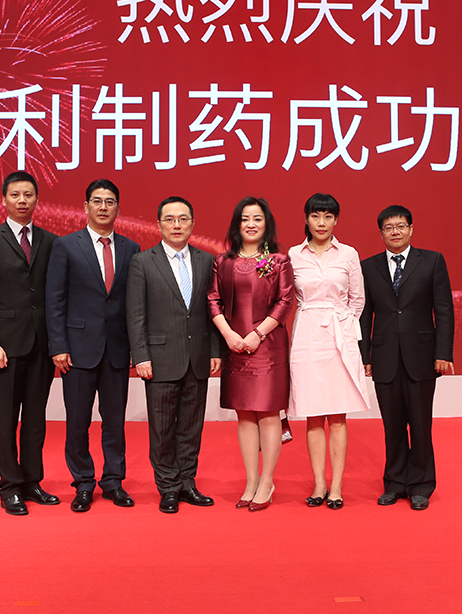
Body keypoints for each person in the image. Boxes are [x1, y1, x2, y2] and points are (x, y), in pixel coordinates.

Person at [46, 180, 140, 512]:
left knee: (115, 422)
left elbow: (133, 303)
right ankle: (84, 483)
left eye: (109, 201)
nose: (103, 207)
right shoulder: (66, 246)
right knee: (78, 422)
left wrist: (136, 348)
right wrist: (58, 346)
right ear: (85, 206)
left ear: (118, 208)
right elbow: (54, 301)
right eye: (97, 201)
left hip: (116, 350)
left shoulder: (131, 248)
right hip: (77, 351)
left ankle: (113, 481)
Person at [0, 171, 59, 516]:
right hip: (4, 349)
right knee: (6, 420)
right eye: (15, 195)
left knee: (35, 420)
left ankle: (32, 481)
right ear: (4, 200)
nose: (22, 201)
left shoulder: (51, 242)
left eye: (28, 195)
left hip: (42, 345)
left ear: (37, 200)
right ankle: (10, 487)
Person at [126, 196, 222, 514]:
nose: (177, 225)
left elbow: (213, 311)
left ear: (192, 223)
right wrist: (140, 356)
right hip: (160, 358)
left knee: (191, 427)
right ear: (159, 225)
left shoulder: (206, 261)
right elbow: (135, 314)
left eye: (183, 219)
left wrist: (214, 350)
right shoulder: (143, 262)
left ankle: (187, 483)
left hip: (197, 357)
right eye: (170, 219)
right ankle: (168, 486)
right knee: (163, 428)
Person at [359, 205, 455, 511]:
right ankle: (395, 483)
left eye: (401, 226)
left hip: (422, 356)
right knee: (393, 425)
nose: (395, 232)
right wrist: (364, 355)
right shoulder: (368, 267)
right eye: (389, 228)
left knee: (421, 424)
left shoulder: (432, 261)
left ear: (411, 229)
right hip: (384, 356)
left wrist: (443, 353)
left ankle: (421, 485)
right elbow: (364, 315)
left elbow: (444, 310)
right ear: (381, 233)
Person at [207, 196, 294, 512]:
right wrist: (229, 335)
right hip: (235, 346)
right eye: (245, 218)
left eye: (257, 218)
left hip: (268, 347)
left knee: (268, 413)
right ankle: (251, 481)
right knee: (244, 414)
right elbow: (213, 300)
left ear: (266, 223)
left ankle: (267, 481)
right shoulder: (222, 262)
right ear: (236, 224)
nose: (251, 224)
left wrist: (257, 334)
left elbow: (285, 302)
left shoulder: (279, 261)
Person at [288, 193, 370, 510]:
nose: (321, 222)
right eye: (315, 216)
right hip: (307, 335)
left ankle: (336, 486)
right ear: (306, 219)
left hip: (339, 335)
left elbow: (357, 299)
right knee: (313, 415)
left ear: (336, 220)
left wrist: (345, 327)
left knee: (337, 415)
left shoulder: (348, 254)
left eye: (327, 216)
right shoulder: (293, 254)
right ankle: (319, 484)